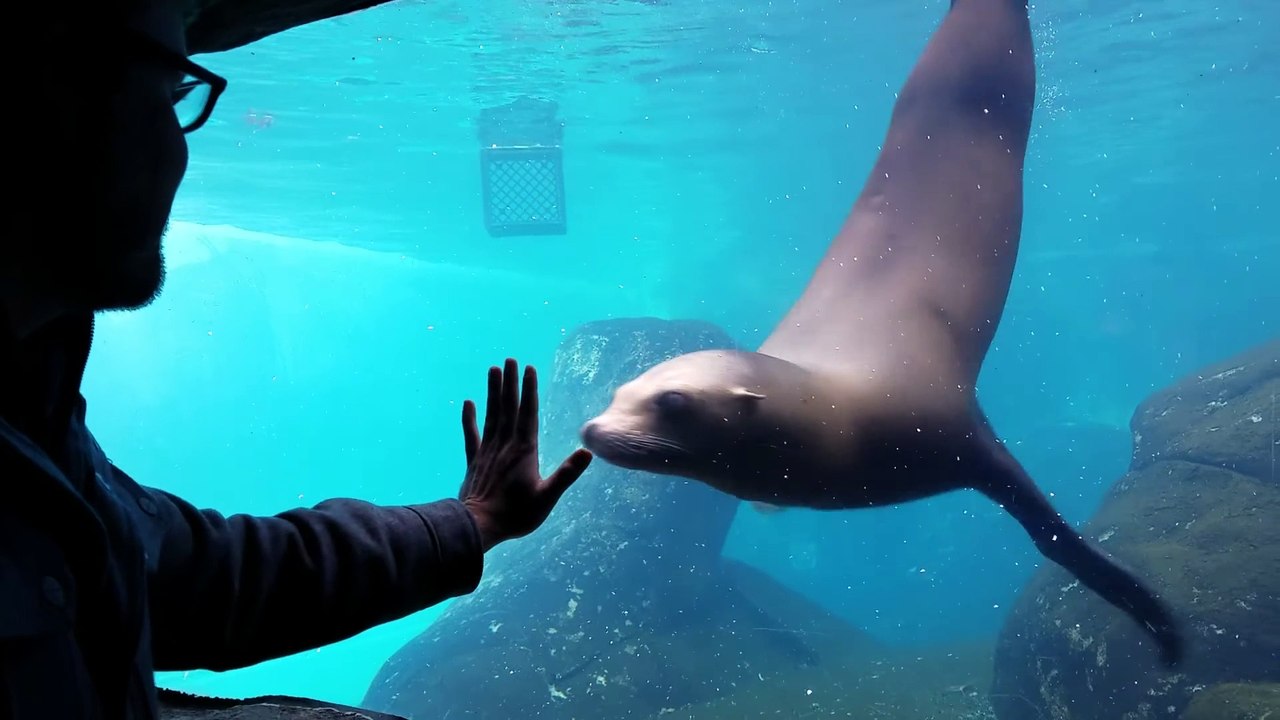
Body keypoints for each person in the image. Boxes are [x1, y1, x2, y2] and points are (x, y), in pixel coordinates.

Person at [0, 0, 594, 717]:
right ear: (41, 89)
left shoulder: (37, 416)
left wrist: (468, 524)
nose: (179, 152)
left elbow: (199, 580)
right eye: (163, 92)